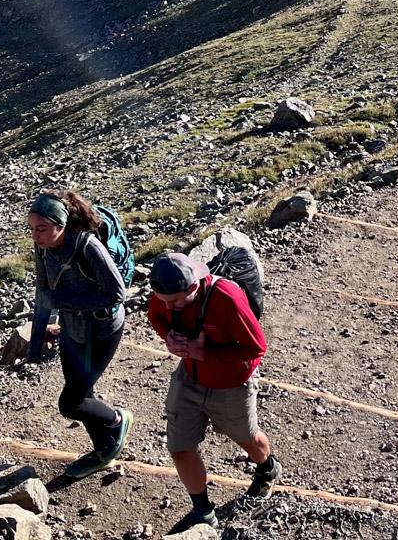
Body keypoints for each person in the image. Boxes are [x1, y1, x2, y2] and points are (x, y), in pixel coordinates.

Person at [147, 252, 279, 531]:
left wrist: (205, 353)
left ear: (194, 285)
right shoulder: (166, 293)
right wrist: (168, 337)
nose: (171, 307)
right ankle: (203, 510)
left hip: (232, 384)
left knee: (247, 438)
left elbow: (256, 348)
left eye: (175, 301)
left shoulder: (227, 298)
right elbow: (156, 316)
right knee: (180, 447)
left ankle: (267, 467)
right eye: (165, 300)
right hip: (190, 377)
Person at [26, 190, 132, 478]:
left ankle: (117, 420)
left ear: (60, 224)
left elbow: (116, 294)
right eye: (32, 229)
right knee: (83, 394)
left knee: (70, 403)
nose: (36, 235)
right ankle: (104, 450)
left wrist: (66, 303)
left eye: (42, 229)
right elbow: (44, 291)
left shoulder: (87, 246)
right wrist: (35, 343)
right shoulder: (43, 248)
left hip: (101, 330)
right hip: (73, 330)